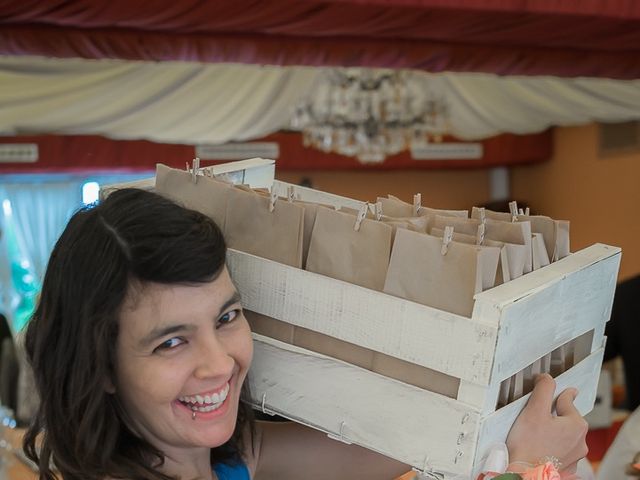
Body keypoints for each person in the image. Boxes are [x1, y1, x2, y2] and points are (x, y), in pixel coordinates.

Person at [22, 188, 588, 480]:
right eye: (171, 341)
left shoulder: (229, 456)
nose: (219, 364)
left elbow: (399, 446)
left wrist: (507, 424)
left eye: (225, 318)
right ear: (100, 365)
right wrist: (527, 469)